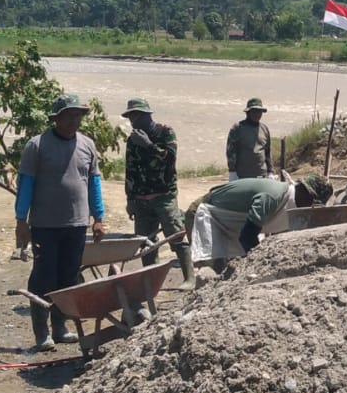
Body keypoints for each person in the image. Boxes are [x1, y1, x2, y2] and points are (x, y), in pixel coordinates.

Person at [16, 93, 106, 353]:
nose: (73, 120)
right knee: (44, 276)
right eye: (68, 115)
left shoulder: (87, 145)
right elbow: (26, 185)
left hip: (77, 224)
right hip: (45, 224)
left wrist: (98, 218)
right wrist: (21, 221)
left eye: (77, 115)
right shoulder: (37, 145)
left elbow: (94, 183)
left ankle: (60, 326)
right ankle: (41, 331)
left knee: (68, 276)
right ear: (56, 118)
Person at [123, 98, 195, 291]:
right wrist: (130, 199)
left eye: (136, 115)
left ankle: (190, 278)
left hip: (164, 195)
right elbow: (130, 170)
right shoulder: (132, 139)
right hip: (141, 199)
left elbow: (169, 160)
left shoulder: (165, 133)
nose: (133, 120)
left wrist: (148, 145)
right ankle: (153, 282)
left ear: (147, 115)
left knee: (176, 236)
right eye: (130, 116)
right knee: (146, 244)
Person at [191, 175, 334, 270]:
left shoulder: (287, 201)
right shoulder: (271, 197)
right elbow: (247, 236)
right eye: (313, 203)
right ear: (304, 192)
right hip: (205, 214)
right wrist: (260, 265)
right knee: (216, 268)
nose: (311, 208)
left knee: (232, 266)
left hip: (228, 223)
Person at [227, 98, 272, 180]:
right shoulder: (238, 128)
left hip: (261, 174)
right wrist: (232, 171)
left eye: (259, 112)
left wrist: (270, 171)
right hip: (242, 175)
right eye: (254, 111)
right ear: (248, 113)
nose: (257, 114)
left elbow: (267, 152)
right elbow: (231, 151)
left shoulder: (264, 129)